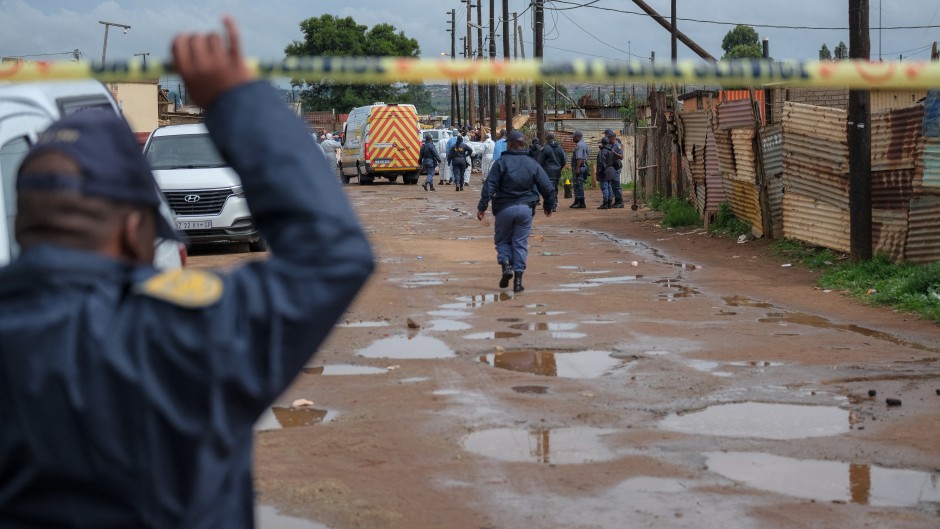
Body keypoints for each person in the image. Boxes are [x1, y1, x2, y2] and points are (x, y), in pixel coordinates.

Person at [0, 18, 374, 528]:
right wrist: (238, 100)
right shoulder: (186, 330)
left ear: (23, 226)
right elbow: (331, 253)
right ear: (137, 231)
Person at [476, 131, 556, 293]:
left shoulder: (500, 163)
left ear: (510, 144)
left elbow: (489, 186)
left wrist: (482, 207)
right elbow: (547, 187)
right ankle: (518, 281)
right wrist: (549, 205)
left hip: (504, 208)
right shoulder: (532, 163)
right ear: (523, 145)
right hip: (526, 210)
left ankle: (506, 265)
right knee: (520, 243)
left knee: (503, 240)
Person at [539, 132, 567, 211]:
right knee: (555, 187)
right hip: (557, 171)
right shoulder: (559, 147)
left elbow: (540, 161)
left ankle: (552, 204)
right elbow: (564, 159)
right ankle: (554, 204)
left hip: (548, 171)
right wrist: (559, 167)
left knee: (550, 188)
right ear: (553, 139)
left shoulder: (546, 148)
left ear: (547, 139)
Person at [605, 129, 625, 208]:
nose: (607, 140)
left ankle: (620, 202)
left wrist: (615, 153)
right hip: (612, 167)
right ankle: (616, 201)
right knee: (613, 185)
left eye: (608, 138)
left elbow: (621, 157)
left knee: (617, 185)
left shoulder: (618, 146)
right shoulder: (611, 145)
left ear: (611, 138)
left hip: (616, 167)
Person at [569, 130, 589, 208]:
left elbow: (579, 158)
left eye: (573, 137)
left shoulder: (579, 145)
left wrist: (577, 168)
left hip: (580, 167)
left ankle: (581, 202)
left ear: (577, 137)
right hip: (584, 166)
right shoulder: (585, 144)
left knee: (578, 184)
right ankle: (577, 201)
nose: (572, 139)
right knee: (577, 184)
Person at [596, 136, 614, 209]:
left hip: (604, 171)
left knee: (604, 187)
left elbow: (601, 163)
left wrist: (598, 173)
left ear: (602, 143)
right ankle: (610, 203)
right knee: (609, 187)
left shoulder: (602, 151)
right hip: (611, 170)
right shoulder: (611, 150)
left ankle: (605, 204)